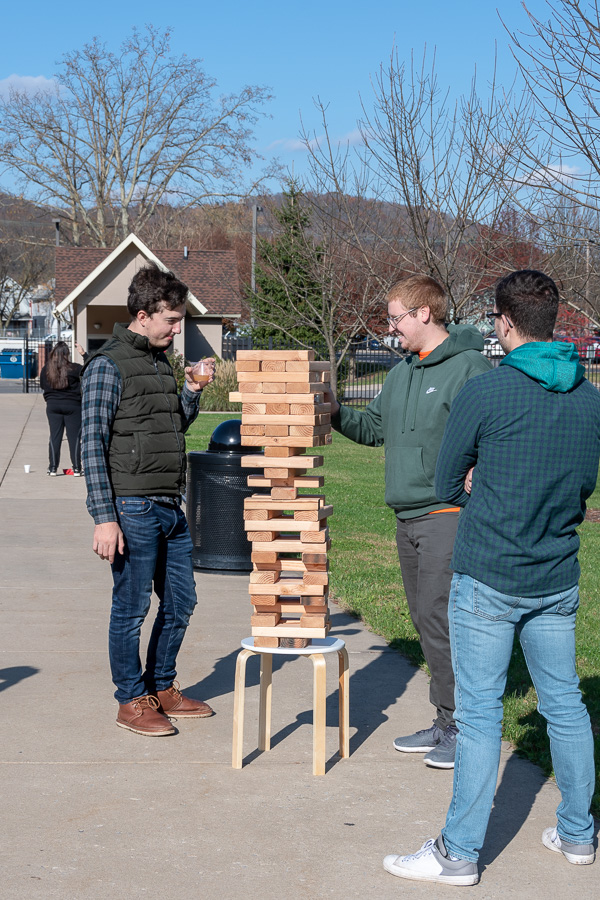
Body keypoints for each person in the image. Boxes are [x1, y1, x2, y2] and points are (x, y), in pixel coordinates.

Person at [384, 269, 599, 885]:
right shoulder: (590, 398)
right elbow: (584, 484)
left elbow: (447, 482)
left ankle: (458, 853)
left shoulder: (487, 393)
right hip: (556, 577)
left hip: (489, 577)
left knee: (479, 716)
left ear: (504, 323)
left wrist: (481, 482)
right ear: (553, 321)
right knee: (566, 705)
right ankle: (579, 836)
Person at [328, 274, 491, 768]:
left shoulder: (470, 368)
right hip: (406, 517)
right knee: (425, 620)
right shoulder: (401, 374)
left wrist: (479, 470)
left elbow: (496, 428)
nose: (390, 327)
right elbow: (373, 428)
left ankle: (463, 729)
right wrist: (333, 410)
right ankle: (446, 721)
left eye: (396, 317)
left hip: (446, 515)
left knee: (441, 620)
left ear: (424, 313)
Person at [81, 263, 216, 737]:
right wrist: (104, 517)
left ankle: (161, 688)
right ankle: (131, 700)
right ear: (142, 315)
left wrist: (193, 389)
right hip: (132, 509)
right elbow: (91, 445)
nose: (178, 329)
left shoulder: (160, 363)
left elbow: (173, 424)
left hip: (169, 506)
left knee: (181, 602)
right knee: (132, 606)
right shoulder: (107, 366)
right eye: (172, 320)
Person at [39, 340, 83, 476]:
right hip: (73, 406)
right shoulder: (75, 368)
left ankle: (52, 468)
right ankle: (76, 468)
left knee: (55, 436)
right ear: (67, 354)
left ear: (53, 354)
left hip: (53, 405)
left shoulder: (46, 369)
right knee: (74, 437)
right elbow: (91, 369)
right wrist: (84, 354)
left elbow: (42, 385)